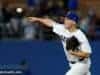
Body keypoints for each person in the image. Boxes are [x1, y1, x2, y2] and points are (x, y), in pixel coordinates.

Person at [28, 11, 92, 75]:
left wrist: (73, 52)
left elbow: (87, 54)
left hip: (82, 64)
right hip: (72, 64)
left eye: (67, 19)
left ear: (74, 22)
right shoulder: (62, 29)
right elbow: (50, 22)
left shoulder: (80, 35)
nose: (65, 20)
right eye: (65, 19)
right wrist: (37, 19)